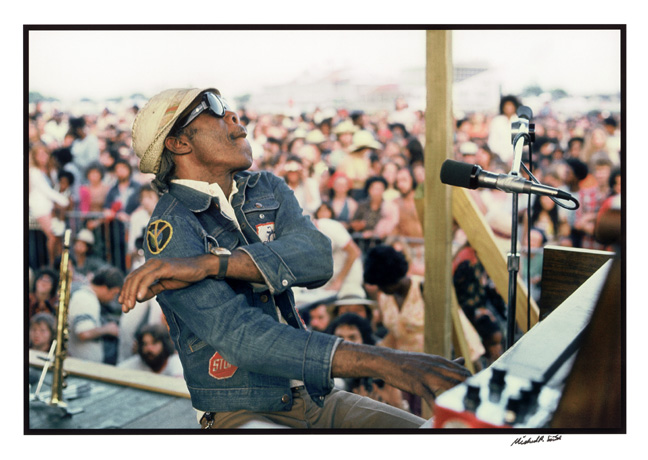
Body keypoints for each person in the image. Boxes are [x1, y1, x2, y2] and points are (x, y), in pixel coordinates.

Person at [119, 87, 469, 430]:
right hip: (240, 410)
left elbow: (318, 259)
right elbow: (243, 339)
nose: (232, 114)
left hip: (312, 395)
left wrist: (215, 264)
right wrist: (388, 363)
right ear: (179, 143)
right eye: (212, 106)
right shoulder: (170, 229)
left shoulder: (265, 187)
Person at [68, 265, 123, 363]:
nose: (113, 298)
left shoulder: (87, 296)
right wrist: (108, 329)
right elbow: (83, 332)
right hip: (80, 368)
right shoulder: (86, 299)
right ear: (104, 287)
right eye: (114, 293)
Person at [118, 324, 184, 377]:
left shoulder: (175, 362)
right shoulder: (139, 362)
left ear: (165, 344)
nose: (149, 348)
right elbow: (116, 372)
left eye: (154, 343)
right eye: (145, 344)